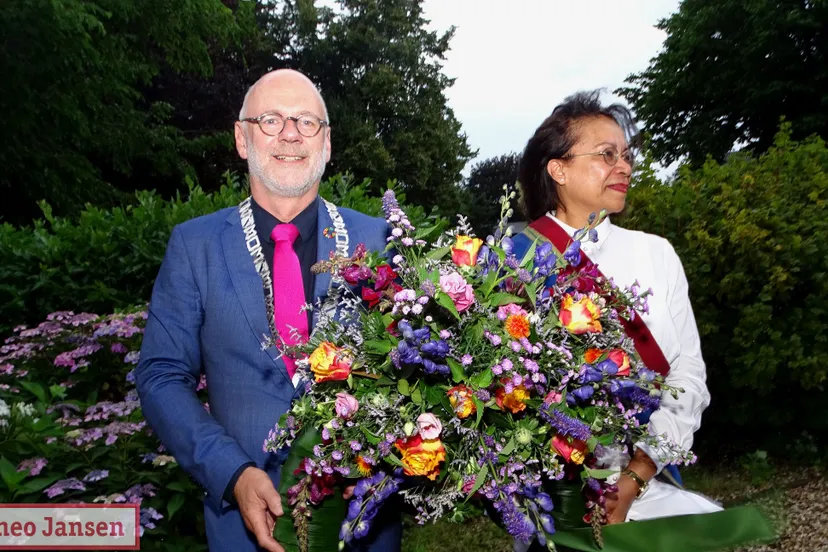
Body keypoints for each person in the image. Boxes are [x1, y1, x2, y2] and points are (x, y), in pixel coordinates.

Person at [135, 69, 401, 552]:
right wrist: (232, 473)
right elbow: (160, 375)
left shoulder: (381, 242)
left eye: (306, 121)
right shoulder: (195, 246)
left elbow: (418, 371)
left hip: (362, 524)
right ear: (242, 138)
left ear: (326, 143)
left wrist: (380, 462)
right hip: (240, 527)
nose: (291, 134)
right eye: (271, 119)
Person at [510, 90, 722, 550]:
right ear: (558, 169)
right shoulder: (511, 263)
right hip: (555, 502)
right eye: (607, 154)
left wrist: (633, 478)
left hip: (648, 480)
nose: (623, 166)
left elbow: (688, 373)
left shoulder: (656, 253)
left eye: (626, 155)